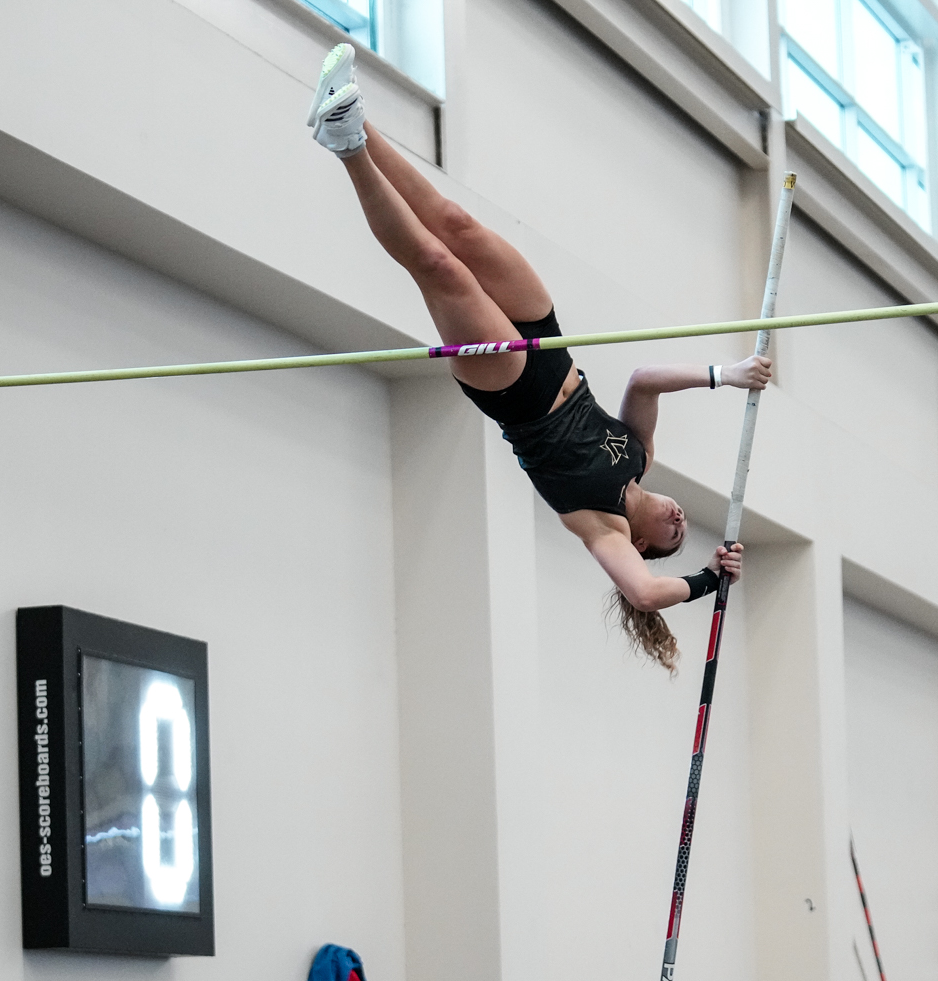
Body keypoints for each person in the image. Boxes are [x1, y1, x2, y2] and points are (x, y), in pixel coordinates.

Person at [309, 44, 763, 670]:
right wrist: (725, 375)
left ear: (641, 544)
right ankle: (351, 117)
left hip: (518, 393)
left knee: (438, 265)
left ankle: (348, 149)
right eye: (684, 527)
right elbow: (644, 380)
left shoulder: (603, 529)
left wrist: (709, 578)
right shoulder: (640, 455)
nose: (681, 521)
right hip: (551, 345)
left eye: (674, 536)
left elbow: (646, 594)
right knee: (458, 226)